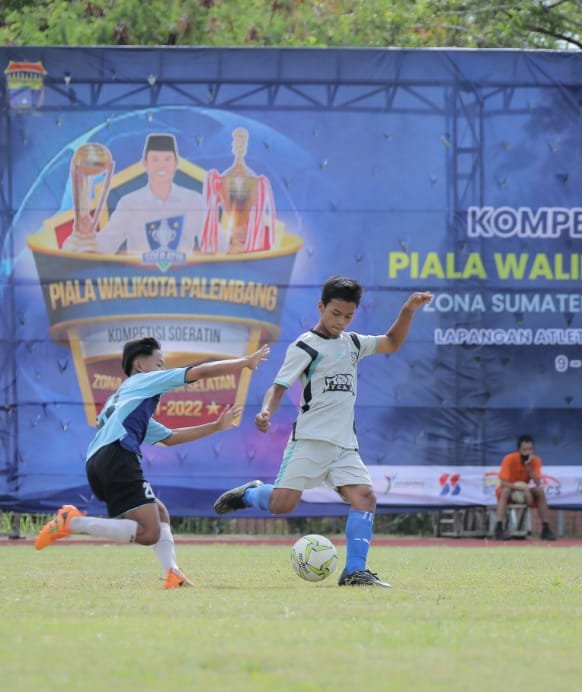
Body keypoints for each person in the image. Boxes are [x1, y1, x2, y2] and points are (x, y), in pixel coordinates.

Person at [213, 276, 434, 588]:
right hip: (310, 441)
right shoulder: (305, 346)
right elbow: (278, 388)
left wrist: (408, 309)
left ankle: (354, 571)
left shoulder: (353, 343)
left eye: (348, 316)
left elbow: (391, 342)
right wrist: (266, 412)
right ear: (321, 307)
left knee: (365, 497)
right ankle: (250, 493)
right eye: (335, 313)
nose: (340, 321)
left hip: (344, 445)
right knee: (282, 504)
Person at [34, 336, 270, 588]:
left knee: (159, 512)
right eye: (159, 364)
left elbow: (169, 438)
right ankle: (72, 522)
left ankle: (173, 573)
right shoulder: (144, 381)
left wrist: (216, 426)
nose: (162, 369)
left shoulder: (126, 398)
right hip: (117, 456)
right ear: (139, 365)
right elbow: (198, 372)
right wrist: (245, 362)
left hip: (97, 462)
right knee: (149, 533)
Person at [96, 133, 208, 259]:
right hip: (138, 271)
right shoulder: (129, 203)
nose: (161, 165)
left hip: (185, 271)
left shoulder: (193, 201)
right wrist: (85, 236)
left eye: (167, 159)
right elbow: (106, 243)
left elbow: (216, 242)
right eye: (155, 159)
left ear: (176, 163)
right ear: (145, 163)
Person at [494, 434, 556, 542]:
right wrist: (523, 489)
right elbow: (503, 483)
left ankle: (546, 529)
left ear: (533, 450)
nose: (527, 453)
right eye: (524, 450)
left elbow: (537, 483)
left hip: (525, 491)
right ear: (519, 450)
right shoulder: (509, 459)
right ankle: (498, 528)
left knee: (539, 491)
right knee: (505, 491)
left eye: (530, 449)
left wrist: (529, 469)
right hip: (511, 489)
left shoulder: (536, 460)